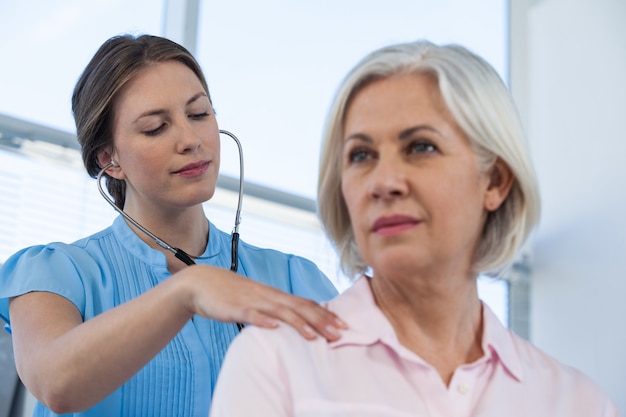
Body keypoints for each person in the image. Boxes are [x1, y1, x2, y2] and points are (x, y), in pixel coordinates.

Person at [209, 40, 619, 416]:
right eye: (361, 155)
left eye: (421, 147)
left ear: (494, 182)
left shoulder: (577, 402)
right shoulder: (274, 364)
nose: (384, 182)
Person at [0, 34, 347, 417]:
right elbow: (56, 384)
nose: (190, 139)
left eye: (199, 115)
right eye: (155, 127)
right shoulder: (55, 274)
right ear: (109, 159)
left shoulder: (296, 279)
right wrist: (187, 289)